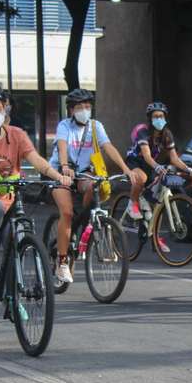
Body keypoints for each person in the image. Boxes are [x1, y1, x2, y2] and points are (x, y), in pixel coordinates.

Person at [0, 84, 70, 284]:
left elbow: (37, 161)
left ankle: (14, 300)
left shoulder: (17, 135)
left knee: (14, 243)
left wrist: (57, 176)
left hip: (8, 195)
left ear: (5, 110)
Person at [48, 88, 139, 283]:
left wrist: (126, 169)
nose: (84, 110)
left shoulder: (96, 126)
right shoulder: (65, 126)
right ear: (71, 110)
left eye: (87, 107)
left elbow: (109, 147)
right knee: (66, 213)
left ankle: (82, 223)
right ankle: (62, 262)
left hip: (83, 172)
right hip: (60, 172)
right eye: (80, 107)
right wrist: (64, 167)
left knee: (93, 186)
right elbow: (62, 145)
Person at [124, 102, 192, 222]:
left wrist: (189, 169)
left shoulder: (167, 135)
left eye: (161, 116)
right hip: (135, 162)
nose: (159, 119)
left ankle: (153, 232)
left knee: (156, 199)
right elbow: (146, 155)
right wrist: (157, 167)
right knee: (142, 178)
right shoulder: (143, 131)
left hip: (150, 164)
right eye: (155, 116)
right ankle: (133, 203)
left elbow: (174, 159)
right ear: (150, 119)